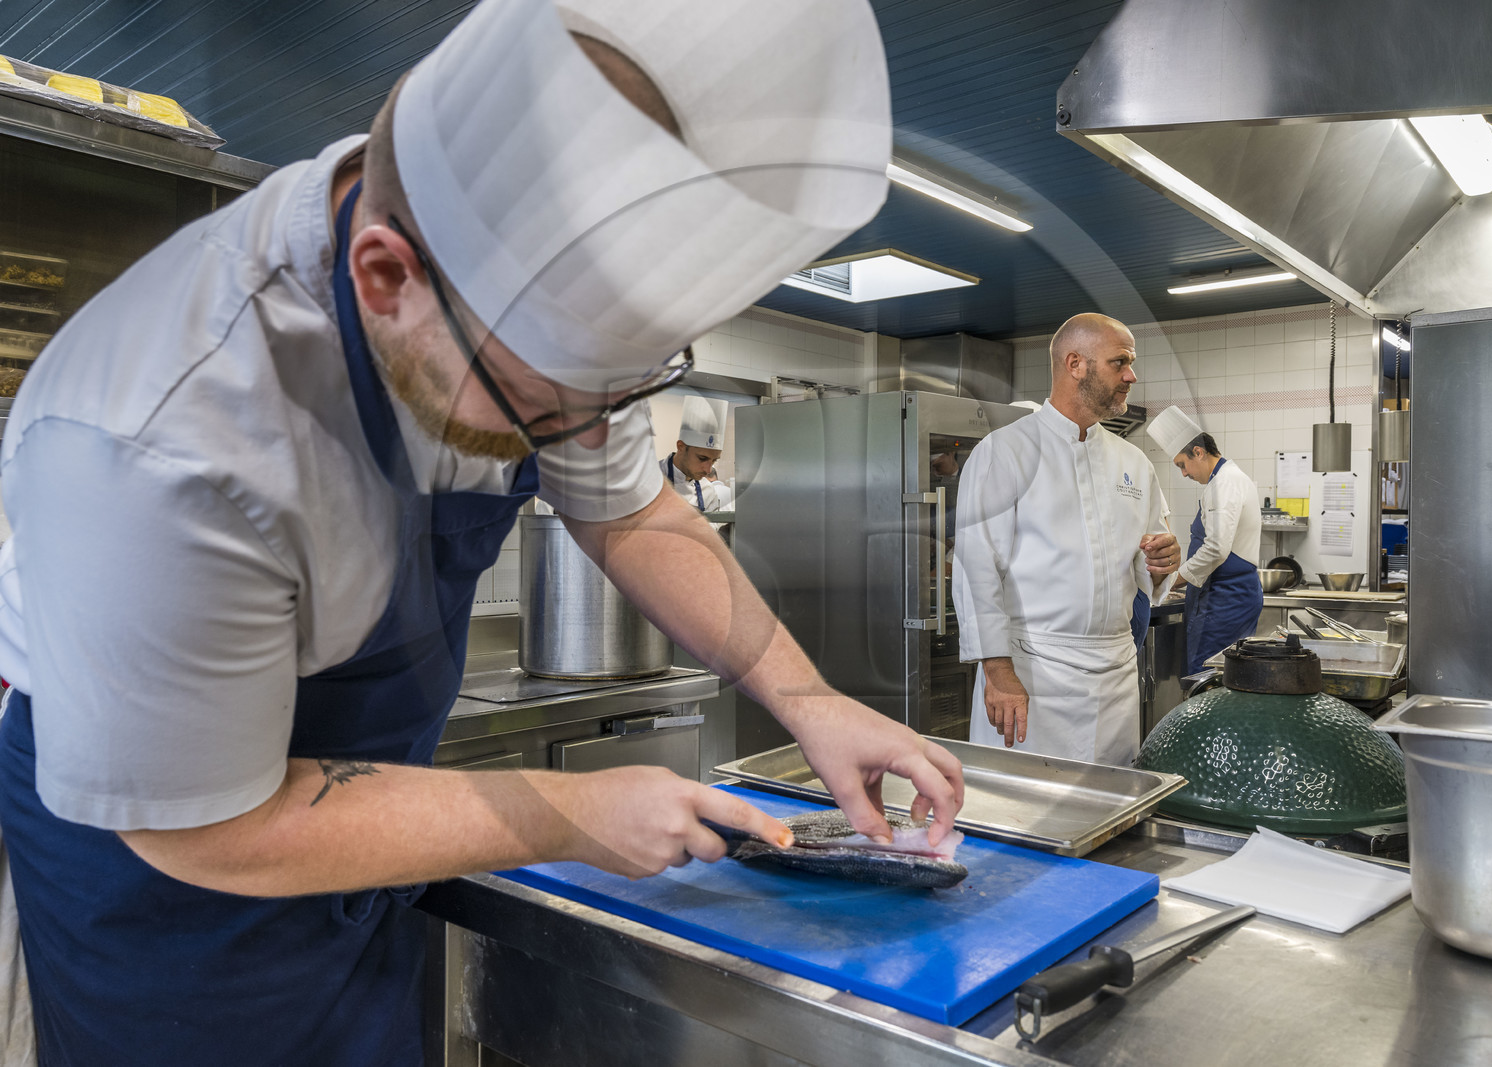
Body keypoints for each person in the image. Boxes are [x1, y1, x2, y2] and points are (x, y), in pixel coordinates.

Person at [0, 2, 964, 1063]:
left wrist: (807, 695)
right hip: (169, 870)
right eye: (541, 410)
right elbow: (206, 826)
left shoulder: (508, 315)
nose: (573, 437)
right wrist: (563, 811)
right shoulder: (153, 438)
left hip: (351, 822)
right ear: (384, 277)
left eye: (607, 401)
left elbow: (631, 507)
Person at [952, 313, 1181, 765]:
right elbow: (976, 568)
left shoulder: (1133, 462)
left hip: (1115, 674)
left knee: (1110, 810)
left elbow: (1147, 569)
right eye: (1120, 363)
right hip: (1033, 673)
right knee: (1021, 812)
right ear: (1075, 364)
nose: (1131, 376)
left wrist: (1162, 564)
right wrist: (997, 673)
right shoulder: (1005, 452)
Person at [1148, 407, 1265, 674]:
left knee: (1207, 679)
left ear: (1198, 452)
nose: (1184, 474)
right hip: (1228, 596)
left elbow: (1216, 549)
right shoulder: (1229, 479)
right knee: (1228, 678)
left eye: (1182, 465)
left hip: (1222, 599)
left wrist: (1174, 579)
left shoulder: (1224, 483)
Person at [662, 395, 734, 514]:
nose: (708, 470)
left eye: (714, 460)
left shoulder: (707, 491)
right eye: (702, 458)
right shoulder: (650, 480)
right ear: (681, 447)